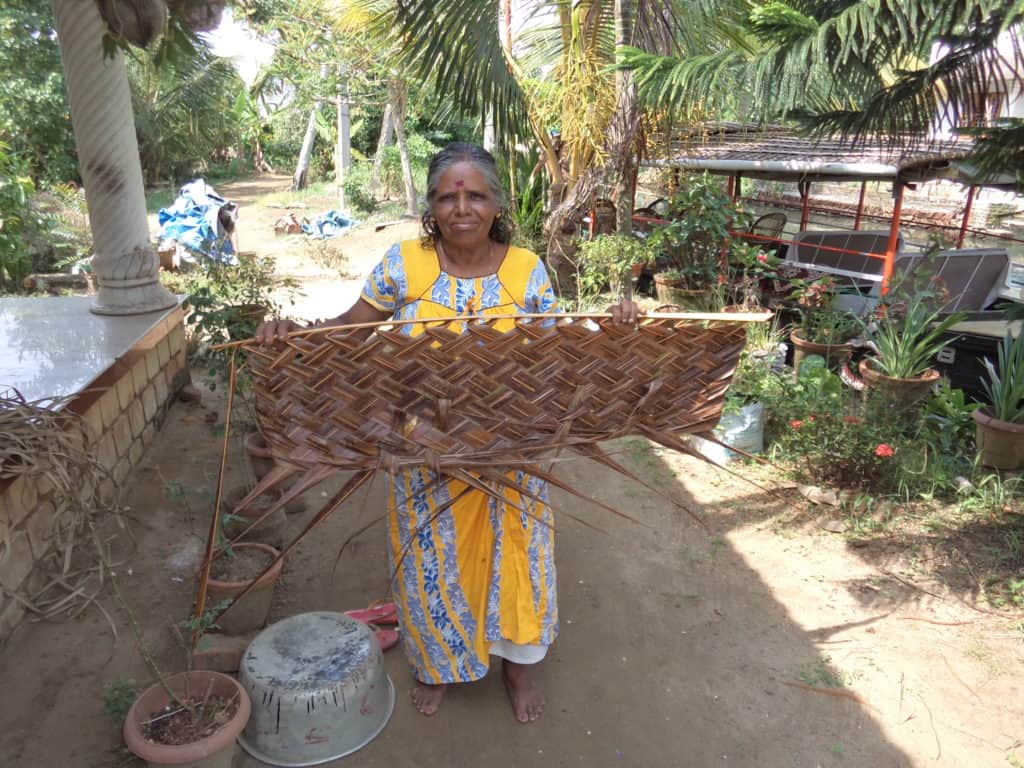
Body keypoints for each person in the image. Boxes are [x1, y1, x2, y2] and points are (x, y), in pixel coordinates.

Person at [257, 142, 640, 722]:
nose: (462, 207)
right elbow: (345, 331)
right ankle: (439, 666)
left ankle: (517, 667)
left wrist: (611, 320)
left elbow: (561, 343)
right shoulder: (403, 263)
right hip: (424, 457)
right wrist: (291, 333)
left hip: (509, 454)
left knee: (518, 558)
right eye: (448, 195)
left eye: (476, 194)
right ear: (431, 206)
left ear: (496, 203)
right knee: (432, 561)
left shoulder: (525, 267)